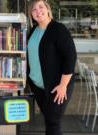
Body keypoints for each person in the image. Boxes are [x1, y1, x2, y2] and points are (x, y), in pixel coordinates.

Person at [27, 0, 77, 135]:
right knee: (49, 120)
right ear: (31, 15)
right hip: (38, 86)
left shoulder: (58, 29)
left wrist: (63, 85)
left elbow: (70, 58)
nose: (38, 11)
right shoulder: (33, 30)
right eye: (34, 10)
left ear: (48, 9)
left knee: (53, 122)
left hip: (57, 86)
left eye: (41, 7)